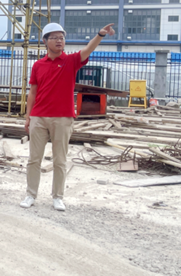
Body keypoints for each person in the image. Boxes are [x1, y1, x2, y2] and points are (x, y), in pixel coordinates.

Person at [21, 22, 115, 212]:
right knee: (34, 159)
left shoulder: (71, 61)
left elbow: (88, 50)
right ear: (45, 41)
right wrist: (28, 116)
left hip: (63, 118)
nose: (59, 41)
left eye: (62, 37)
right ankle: (31, 194)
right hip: (39, 116)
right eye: (54, 37)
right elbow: (32, 92)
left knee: (60, 160)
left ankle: (58, 197)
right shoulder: (38, 65)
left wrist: (100, 35)